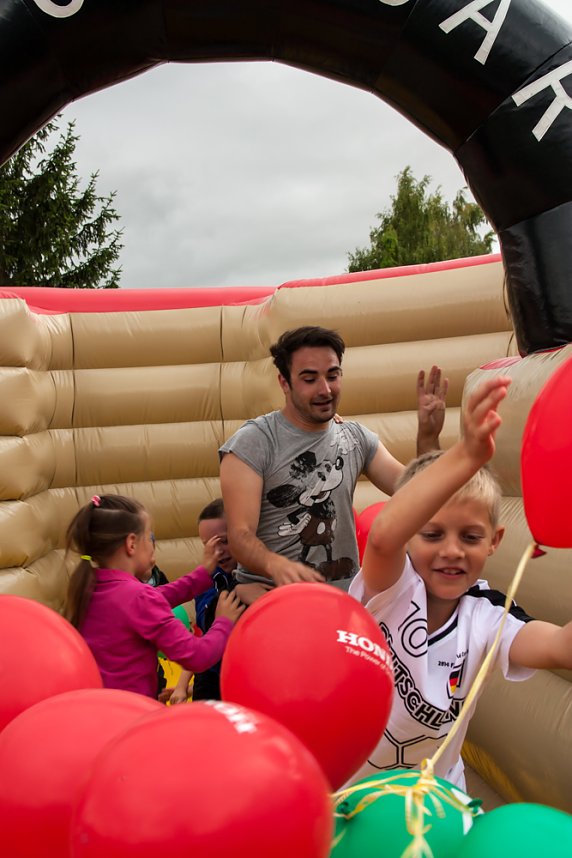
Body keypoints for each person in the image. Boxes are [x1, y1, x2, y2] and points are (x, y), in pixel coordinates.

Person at [347, 375, 572, 789]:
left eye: (470, 537)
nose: (452, 551)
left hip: (433, 798)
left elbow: (560, 647)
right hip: (356, 793)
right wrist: (466, 455)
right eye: (432, 535)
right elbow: (382, 538)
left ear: (494, 542)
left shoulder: (487, 615)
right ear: (411, 532)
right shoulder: (391, 589)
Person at [219, 325, 447, 595]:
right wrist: (275, 564)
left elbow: (417, 494)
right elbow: (240, 536)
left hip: (344, 600)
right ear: (284, 382)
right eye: (309, 378)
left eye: (332, 375)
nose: (325, 389)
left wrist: (428, 439)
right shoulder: (254, 441)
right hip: (272, 597)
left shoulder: (356, 438)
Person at [64, 493, 244, 698]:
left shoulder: (90, 589)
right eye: (150, 537)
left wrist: (202, 574)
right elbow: (197, 656)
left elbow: (155, 597)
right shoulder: (138, 598)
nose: (152, 546)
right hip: (133, 715)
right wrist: (223, 622)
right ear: (131, 544)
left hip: (98, 711)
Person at [164, 498, 238, 704]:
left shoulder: (256, 576)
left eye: (223, 541)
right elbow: (203, 635)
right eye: (208, 545)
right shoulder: (205, 582)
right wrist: (182, 686)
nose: (217, 551)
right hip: (211, 675)